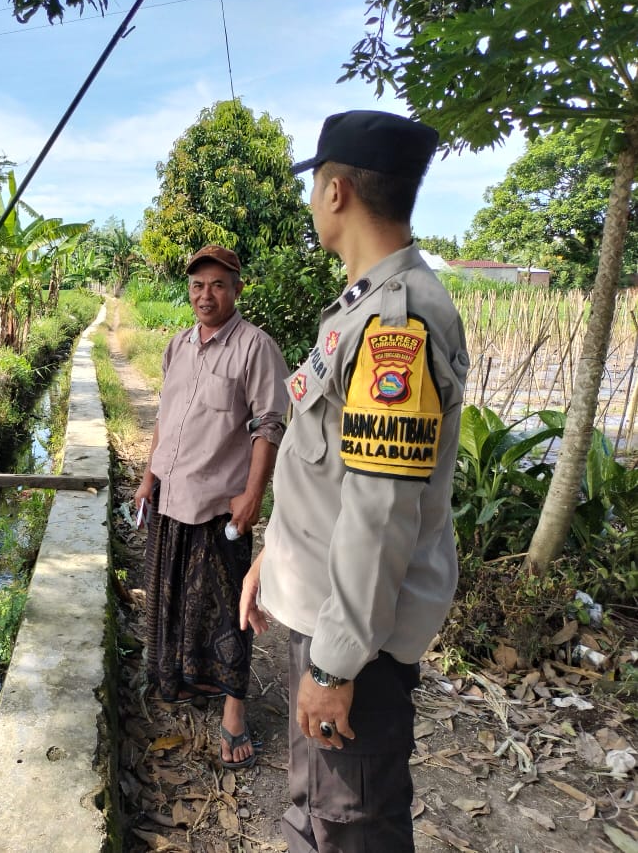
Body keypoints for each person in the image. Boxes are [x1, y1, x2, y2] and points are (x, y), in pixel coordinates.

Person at [239, 110, 470, 852]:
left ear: (335, 191)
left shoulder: (396, 325)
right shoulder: (361, 310)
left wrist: (335, 664)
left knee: (352, 825)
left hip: (354, 646)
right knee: (317, 813)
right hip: (325, 616)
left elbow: (380, 513)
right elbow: (330, 478)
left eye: (315, 189)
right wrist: (270, 560)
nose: (313, 204)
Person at [134, 243, 289, 770]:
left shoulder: (256, 348)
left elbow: (269, 425)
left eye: (218, 285)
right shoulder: (177, 346)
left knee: (230, 613)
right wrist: (147, 476)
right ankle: (181, 679)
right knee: (174, 600)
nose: (206, 295)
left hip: (219, 507)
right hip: (171, 498)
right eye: (198, 285)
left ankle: (234, 711)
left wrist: (253, 494)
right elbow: (164, 415)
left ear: (237, 289)